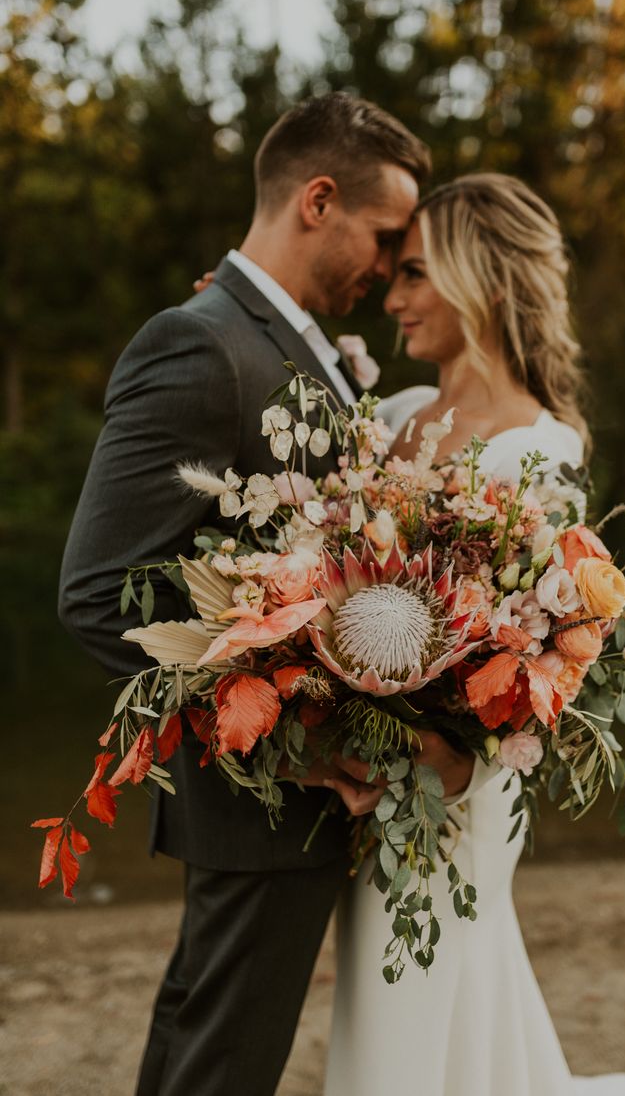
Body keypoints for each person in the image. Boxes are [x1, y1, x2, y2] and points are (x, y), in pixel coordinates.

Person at [323, 173, 625, 1096]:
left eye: (418, 274)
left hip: (459, 781)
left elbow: (540, 650)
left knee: (422, 988)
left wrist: (449, 754)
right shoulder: (387, 421)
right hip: (373, 773)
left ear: (490, 283)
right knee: (401, 995)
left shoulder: (538, 449)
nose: (394, 297)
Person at [58, 92, 429, 1096]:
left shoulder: (302, 344)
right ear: (318, 199)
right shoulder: (203, 342)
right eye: (386, 236)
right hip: (264, 790)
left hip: (296, 798)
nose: (392, 268)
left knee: (208, 1045)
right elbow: (97, 593)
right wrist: (284, 743)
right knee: (223, 1060)